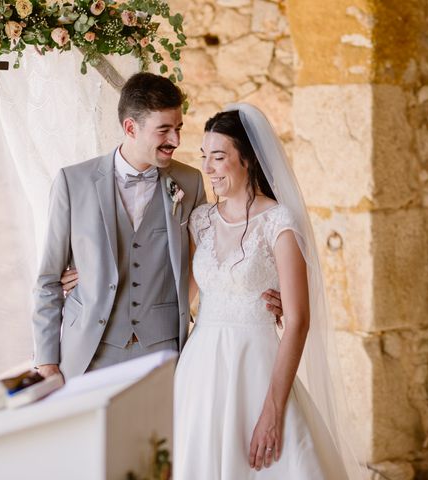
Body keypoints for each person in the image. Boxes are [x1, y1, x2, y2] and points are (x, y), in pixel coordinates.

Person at [33, 73, 282, 380]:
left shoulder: (189, 183)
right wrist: (46, 362)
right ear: (130, 128)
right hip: (88, 352)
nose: (175, 141)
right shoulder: (73, 183)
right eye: (164, 130)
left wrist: (264, 291)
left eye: (178, 128)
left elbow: (215, 256)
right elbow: (47, 280)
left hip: (162, 353)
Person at [173, 104, 366, 479]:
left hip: (257, 367)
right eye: (204, 157)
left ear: (247, 159)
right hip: (200, 371)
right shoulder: (200, 221)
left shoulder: (278, 221)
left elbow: (298, 320)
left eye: (218, 157)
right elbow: (178, 294)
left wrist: (273, 410)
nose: (208, 168)